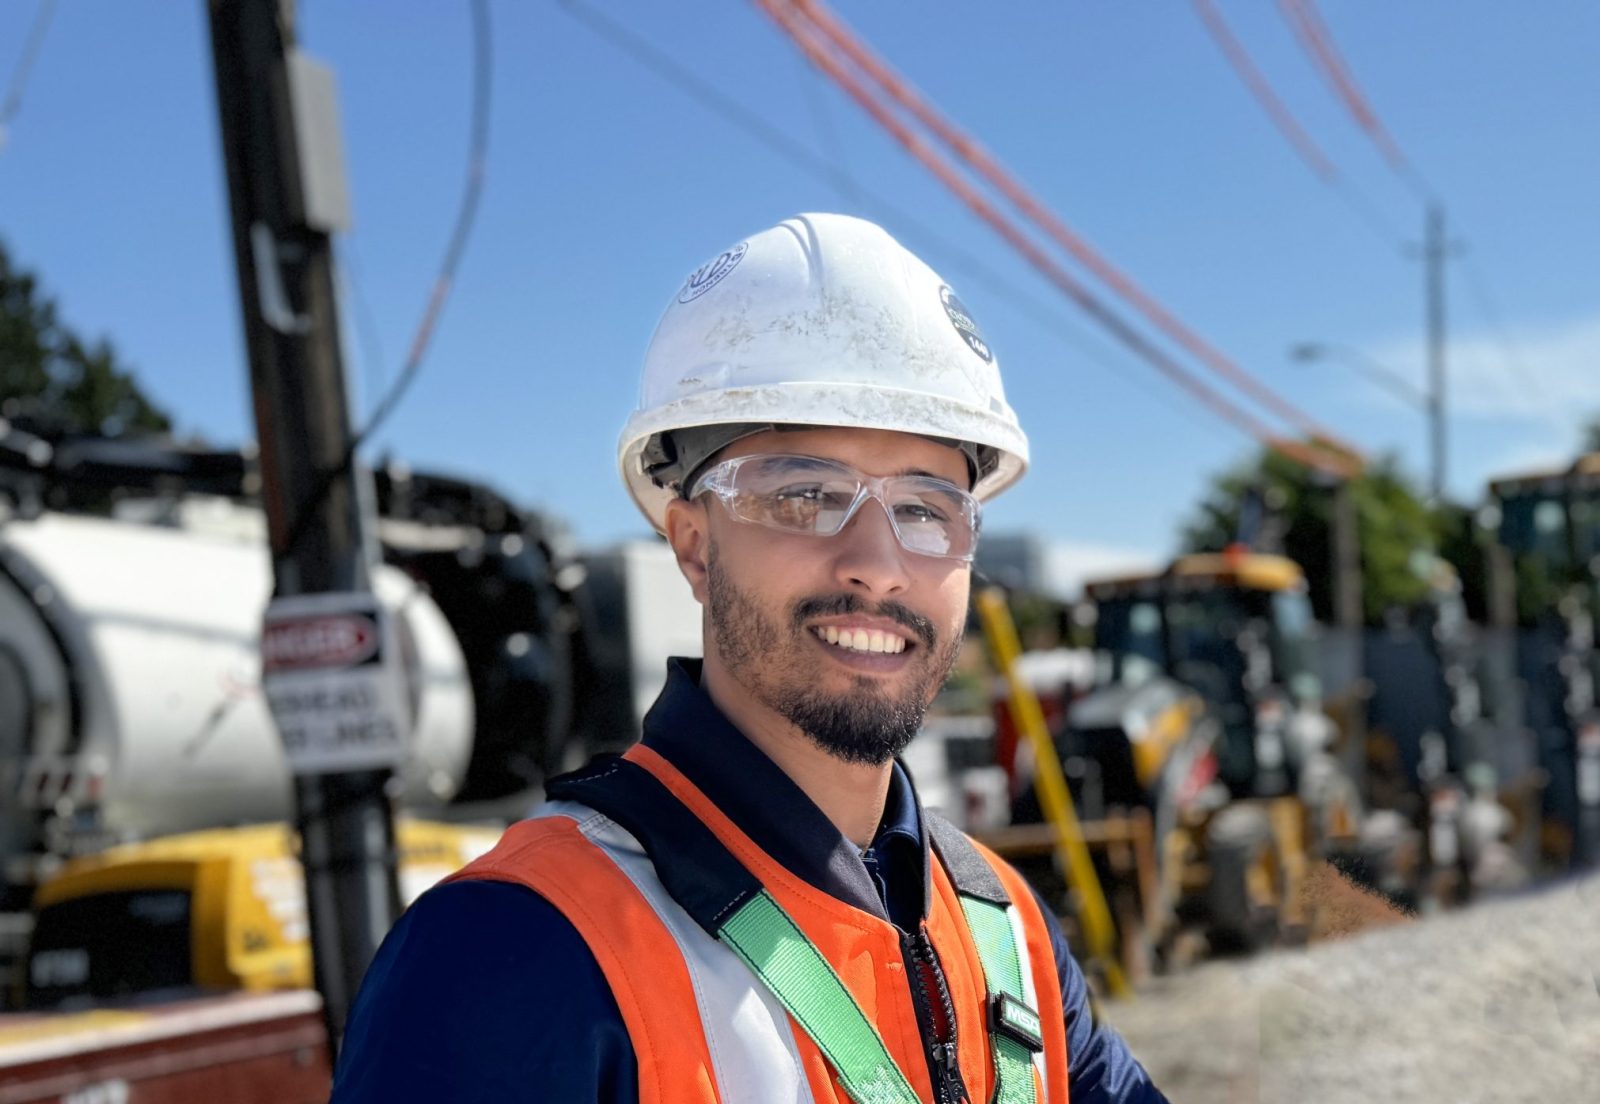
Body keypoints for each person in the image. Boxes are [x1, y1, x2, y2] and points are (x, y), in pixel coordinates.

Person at [331, 212, 1168, 1103]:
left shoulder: (1005, 931)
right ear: (693, 545)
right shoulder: (518, 953)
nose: (879, 565)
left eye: (926, 509)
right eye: (806, 495)